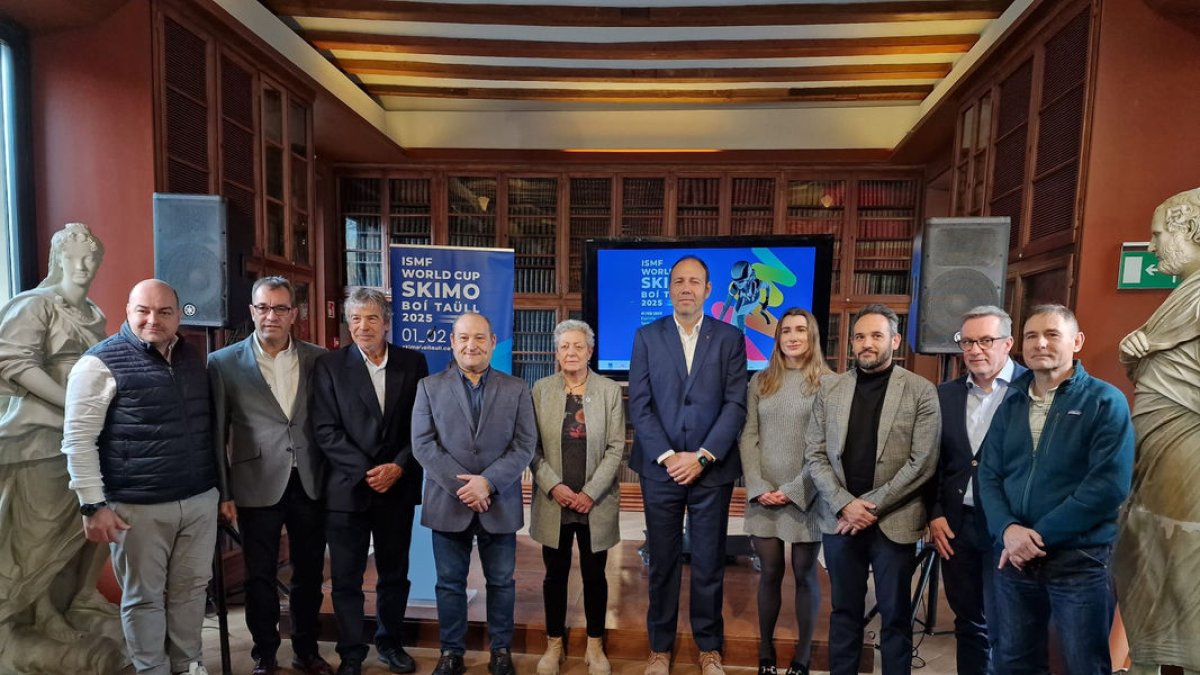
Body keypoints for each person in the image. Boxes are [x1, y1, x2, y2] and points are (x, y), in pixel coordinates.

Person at [61, 278, 220, 675]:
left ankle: (188, 665)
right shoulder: (99, 363)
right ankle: (152, 669)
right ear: (128, 312)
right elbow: (78, 440)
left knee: (191, 591)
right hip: (137, 507)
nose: (154, 319)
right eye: (143, 311)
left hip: (198, 500)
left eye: (165, 312)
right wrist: (93, 505)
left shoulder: (191, 357)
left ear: (178, 315)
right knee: (143, 598)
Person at [978, 304, 1134, 675]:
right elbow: (988, 475)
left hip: (1080, 560)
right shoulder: (1011, 402)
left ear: (1076, 341)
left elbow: (1109, 486)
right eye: (1031, 335)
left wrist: (1037, 536)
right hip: (1013, 559)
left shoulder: (1104, 401)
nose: (1040, 343)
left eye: (1052, 334)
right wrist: (1009, 531)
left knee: (1084, 663)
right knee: (1012, 661)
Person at [0, 222, 126, 675]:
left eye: (91, 257)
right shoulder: (35, 306)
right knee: (36, 535)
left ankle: (62, 608)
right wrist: (73, 405)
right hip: (41, 438)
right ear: (57, 260)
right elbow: (13, 362)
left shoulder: (91, 313)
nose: (83, 265)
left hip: (88, 440)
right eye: (73, 257)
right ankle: (13, 617)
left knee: (78, 532)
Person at [627, 255, 748, 675]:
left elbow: (736, 404)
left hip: (710, 470)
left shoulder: (730, 338)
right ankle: (659, 648)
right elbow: (639, 406)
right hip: (659, 468)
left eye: (694, 281)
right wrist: (668, 456)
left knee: (709, 561)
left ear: (708, 290)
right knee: (662, 562)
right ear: (669, 289)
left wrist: (701, 456)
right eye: (678, 281)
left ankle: (709, 648)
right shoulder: (646, 336)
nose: (686, 288)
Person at [805, 303, 940, 675]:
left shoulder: (921, 391)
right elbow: (815, 455)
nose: (867, 344)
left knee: (896, 616)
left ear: (894, 340)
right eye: (860, 336)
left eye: (876, 335)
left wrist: (868, 507)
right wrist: (845, 505)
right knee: (844, 612)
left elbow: (922, 463)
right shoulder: (830, 389)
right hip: (840, 521)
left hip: (894, 521)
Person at [208, 276, 332, 675]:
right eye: (263, 308)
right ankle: (265, 654)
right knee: (259, 575)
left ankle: (307, 650)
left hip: (311, 480)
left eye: (280, 308)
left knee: (310, 573)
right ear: (252, 311)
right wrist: (223, 491)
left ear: (294, 314)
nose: (271, 316)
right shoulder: (223, 363)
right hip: (254, 482)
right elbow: (216, 434)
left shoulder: (319, 359)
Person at [411, 312, 537, 675]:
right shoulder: (429, 387)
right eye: (464, 337)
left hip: (499, 500)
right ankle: (451, 653)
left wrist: (489, 482)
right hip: (448, 502)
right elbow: (423, 444)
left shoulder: (516, 388)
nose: (472, 345)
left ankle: (501, 650)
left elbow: (524, 444)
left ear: (493, 342)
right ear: (452, 342)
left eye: (480, 338)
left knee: (502, 582)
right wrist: (465, 486)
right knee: (449, 583)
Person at [312, 287, 429, 675]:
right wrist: (366, 472)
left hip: (397, 485)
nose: (364, 326)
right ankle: (351, 653)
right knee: (346, 578)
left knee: (395, 574)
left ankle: (390, 643)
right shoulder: (329, 366)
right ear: (348, 323)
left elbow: (422, 425)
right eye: (356, 318)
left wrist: (398, 466)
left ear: (386, 322)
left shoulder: (413, 363)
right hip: (347, 490)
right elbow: (325, 430)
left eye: (372, 318)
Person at [1116, 188, 1200, 675]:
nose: (1150, 247)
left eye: (1157, 233)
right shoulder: (1182, 296)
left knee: (1183, 562)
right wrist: (1137, 356)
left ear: (1189, 229)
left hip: (1186, 453)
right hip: (1160, 452)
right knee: (1152, 558)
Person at [928, 306, 1026, 675]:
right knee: (968, 623)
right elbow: (933, 463)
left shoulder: (1032, 389)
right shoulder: (944, 396)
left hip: (1010, 527)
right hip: (957, 526)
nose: (975, 350)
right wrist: (934, 512)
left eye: (985, 340)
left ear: (1007, 344)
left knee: (1009, 626)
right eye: (967, 341)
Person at [738, 308, 830, 675]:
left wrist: (794, 490)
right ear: (777, 338)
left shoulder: (829, 383)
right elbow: (748, 435)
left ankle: (803, 658)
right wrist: (759, 487)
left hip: (808, 492)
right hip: (764, 494)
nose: (792, 337)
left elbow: (827, 445)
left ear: (812, 336)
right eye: (785, 331)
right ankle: (765, 654)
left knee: (806, 573)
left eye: (800, 330)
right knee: (770, 572)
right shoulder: (760, 381)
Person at [530, 320, 624, 675]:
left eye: (578, 346)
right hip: (554, 499)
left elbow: (616, 448)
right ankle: (554, 644)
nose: (571, 352)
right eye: (565, 346)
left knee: (594, 575)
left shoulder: (608, 390)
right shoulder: (540, 389)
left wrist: (589, 492)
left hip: (593, 503)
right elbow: (531, 447)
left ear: (590, 351)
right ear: (556, 352)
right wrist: (553, 485)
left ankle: (595, 645)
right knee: (554, 575)